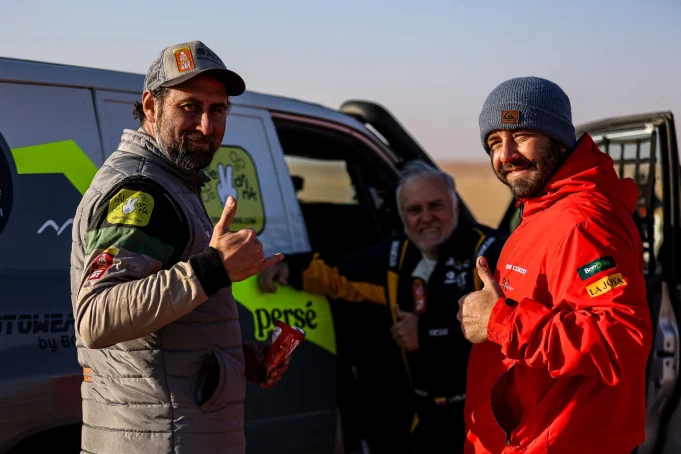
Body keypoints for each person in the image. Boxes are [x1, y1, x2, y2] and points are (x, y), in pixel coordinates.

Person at [69, 40, 288, 454]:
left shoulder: (172, 181)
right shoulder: (142, 191)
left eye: (217, 110)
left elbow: (160, 334)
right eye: (190, 107)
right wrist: (213, 267)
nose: (206, 126)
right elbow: (97, 317)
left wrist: (233, 360)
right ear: (151, 107)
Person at [458, 76, 653, 453]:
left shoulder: (584, 222)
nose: (507, 154)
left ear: (558, 139)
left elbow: (621, 341)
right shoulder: (542, 212)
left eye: (521, 135)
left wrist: (500, 321)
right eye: (494, 142)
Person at [258, 160, 507, 453]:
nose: (426, 217)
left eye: (436, 206)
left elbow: (507, 325)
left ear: (455, 206)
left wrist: (425, 333)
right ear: (402, 216)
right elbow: (339, 273)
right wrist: (287, 266)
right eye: (414, 210)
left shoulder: (490, 251)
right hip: (424, 416)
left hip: (483, 413)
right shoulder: (397, 253)